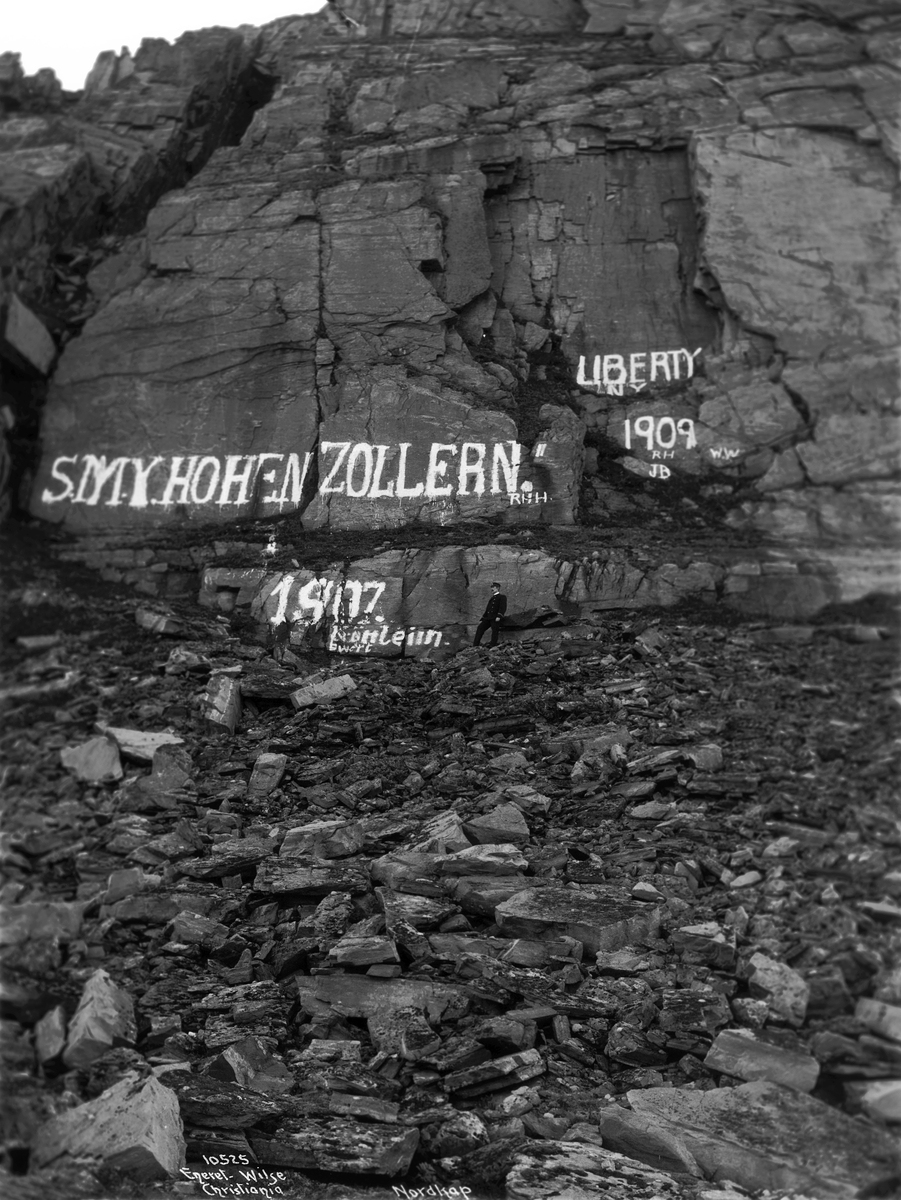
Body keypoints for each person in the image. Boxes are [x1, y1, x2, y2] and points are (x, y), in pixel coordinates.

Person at [473, 581, 507, 648]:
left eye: (493, 587)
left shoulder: (502, 597)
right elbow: (488, 609)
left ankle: (493, 645)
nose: (492, 589)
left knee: (495, 631)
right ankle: (475, 645)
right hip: (488, 618)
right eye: (491, 587)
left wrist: (499, 615)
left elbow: (503, 607)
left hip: (495, 617)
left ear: (497, 588)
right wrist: (483, 617)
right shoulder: (492, 598)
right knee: (480, 628)